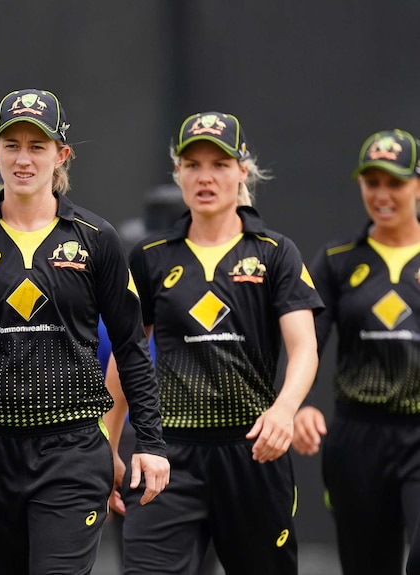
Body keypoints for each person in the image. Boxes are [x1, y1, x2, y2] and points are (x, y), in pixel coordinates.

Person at [0, 88, 169, 574]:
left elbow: (130, 346)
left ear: (62, 154)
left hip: (72, 449)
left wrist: (152, 445)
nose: (24, 158)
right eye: (12, 145)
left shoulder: (96, 239)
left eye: (38, 146)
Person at [121, 111, 322, 575]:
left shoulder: (274, 252)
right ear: (178, 173)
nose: (205, 177)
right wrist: (109, 445)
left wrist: (284, 410)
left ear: (242, 171)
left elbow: (304, 347)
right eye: (192, 165)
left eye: (219, 164)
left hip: (252, 452)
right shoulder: (151, 257)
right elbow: (127, 357)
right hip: (166, 453)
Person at [292, 129, 420, 575]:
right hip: (358, 438)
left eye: (395, 182)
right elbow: (307, 341)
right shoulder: (337, 260)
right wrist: (300, 406)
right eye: (372, 182)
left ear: (417, 185)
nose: (382, 195)